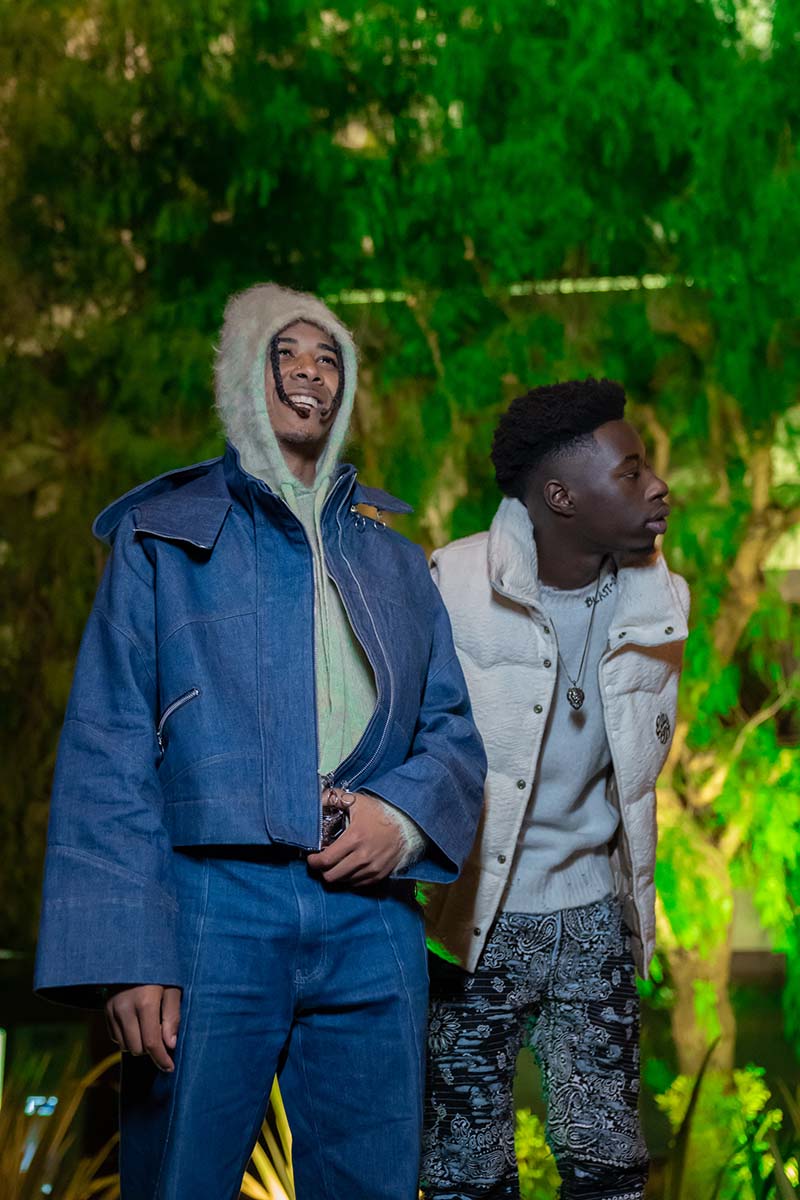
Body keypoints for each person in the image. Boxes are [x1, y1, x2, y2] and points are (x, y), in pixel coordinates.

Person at [35, 283, 486, 1200]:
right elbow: (108, 748)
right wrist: (131, 953)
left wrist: (401, 822)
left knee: (375, 1183)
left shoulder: (397, 560)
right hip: (208, 906)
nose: (312, 371)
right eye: (289, 353)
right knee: (180, 1178)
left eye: (330, 358)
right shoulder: (160, 539)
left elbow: (451, 731)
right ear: (245, 372)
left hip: (372, 911)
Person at [421, 379, 689, 1200]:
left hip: (593, 913)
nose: (658, 487)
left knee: (609, 1165)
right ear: (561, 497)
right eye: (632, 472)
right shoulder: (451, 582)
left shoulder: (663, 601)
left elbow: (637, 773)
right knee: (464, 1169)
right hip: (472, 922)